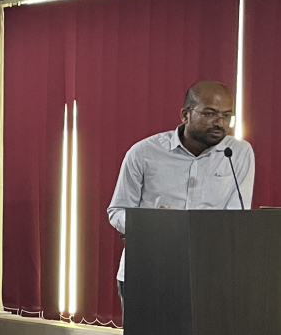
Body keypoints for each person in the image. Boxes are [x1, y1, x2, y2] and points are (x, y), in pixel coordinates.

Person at [108, 80, 255, 303]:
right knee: (149, 328)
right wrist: (149, 222)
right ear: (185, 115)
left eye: (227, 115)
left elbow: (236, 217)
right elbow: (117, 211)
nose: (220, 123)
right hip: (148, 269)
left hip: (208, 272)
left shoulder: (238, 153)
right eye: (209, 113)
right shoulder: (143, 153)